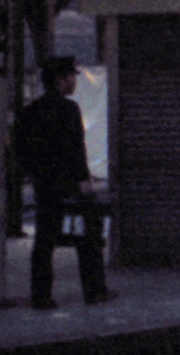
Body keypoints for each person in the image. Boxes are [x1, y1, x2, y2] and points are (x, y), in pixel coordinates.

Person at [15, 57, 113, 308]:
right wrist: (84, 181)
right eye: (71, 77)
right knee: (88, 237)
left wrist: (37, 174)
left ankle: (41, 295)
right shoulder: (69, 110)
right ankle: (94, 290)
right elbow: (76, 150)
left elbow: (20, 150)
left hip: (45, 186)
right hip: (70, 187)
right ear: (60, 81)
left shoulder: (30, 111)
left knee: (44, 242)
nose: (74, 82)